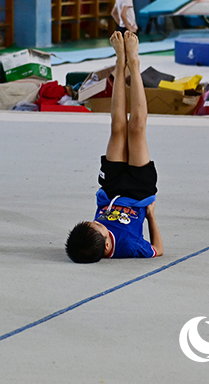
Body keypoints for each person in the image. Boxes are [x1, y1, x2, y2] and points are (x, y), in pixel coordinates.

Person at [66, 31, 164, 262]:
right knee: (137, 128)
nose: (96, 221)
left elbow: (94, 226)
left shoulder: (89, 240)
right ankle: (135, 63)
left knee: (118, 127)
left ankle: (121, 63)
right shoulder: (129, 246)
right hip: (139, 192)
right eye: (98, 226)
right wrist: (150, 216)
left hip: (111, 189)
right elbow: (157, 249)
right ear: (108, 244)